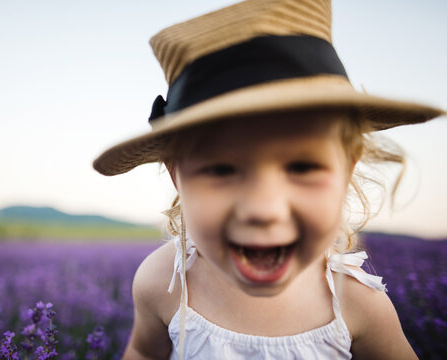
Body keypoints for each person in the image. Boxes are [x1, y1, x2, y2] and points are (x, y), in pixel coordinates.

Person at [93, 0, 444, 359]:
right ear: (177, 176)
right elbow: (143, 351)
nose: (264, 209)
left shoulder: (357, 303)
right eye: (222, 170)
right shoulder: (163, 281)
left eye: (303, 167)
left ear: (346, 171)